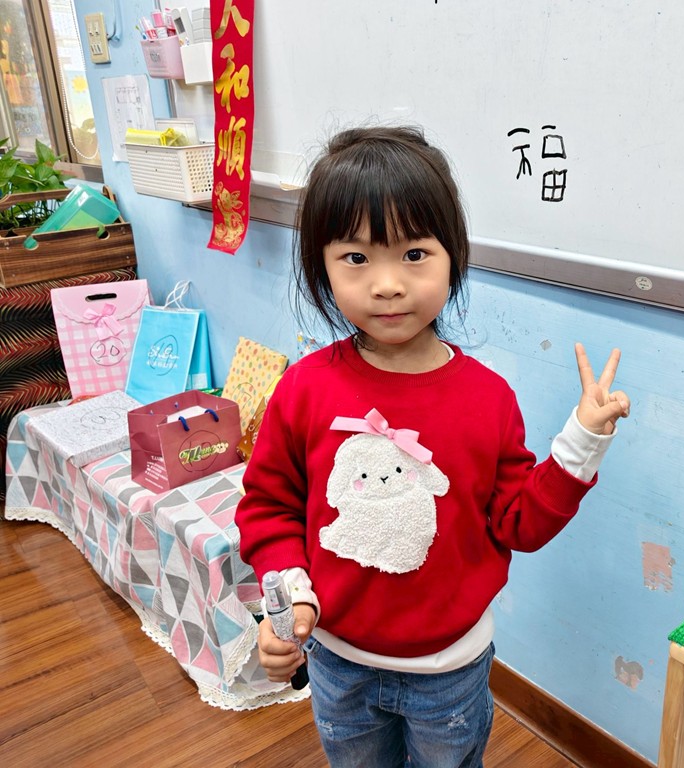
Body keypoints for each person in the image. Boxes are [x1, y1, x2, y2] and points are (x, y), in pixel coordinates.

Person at [235, 125, 630, 768]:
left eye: (414, 253)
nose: (388, 283)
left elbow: (521, 523)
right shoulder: (304, 389)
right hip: (337, 662)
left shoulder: (488, 398)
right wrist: (290, 597)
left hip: (450, 673)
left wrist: (580, 442)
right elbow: (269, 509)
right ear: (321, 266)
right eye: (356, 258)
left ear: (453, 256)